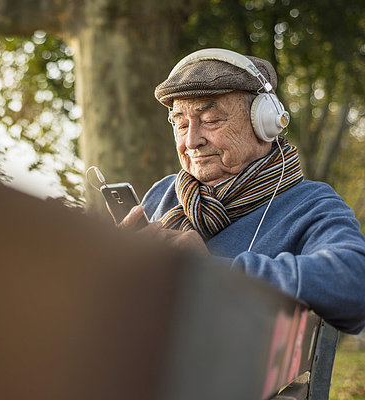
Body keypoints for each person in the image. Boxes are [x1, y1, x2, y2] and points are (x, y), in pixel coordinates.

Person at [120, 48, 365, 334]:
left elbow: (355, 282)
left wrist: (214, 273)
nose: (191, 140)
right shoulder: (163, 192)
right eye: (181, 123)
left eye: (211, 121)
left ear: (265, 123)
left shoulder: (311, 204)